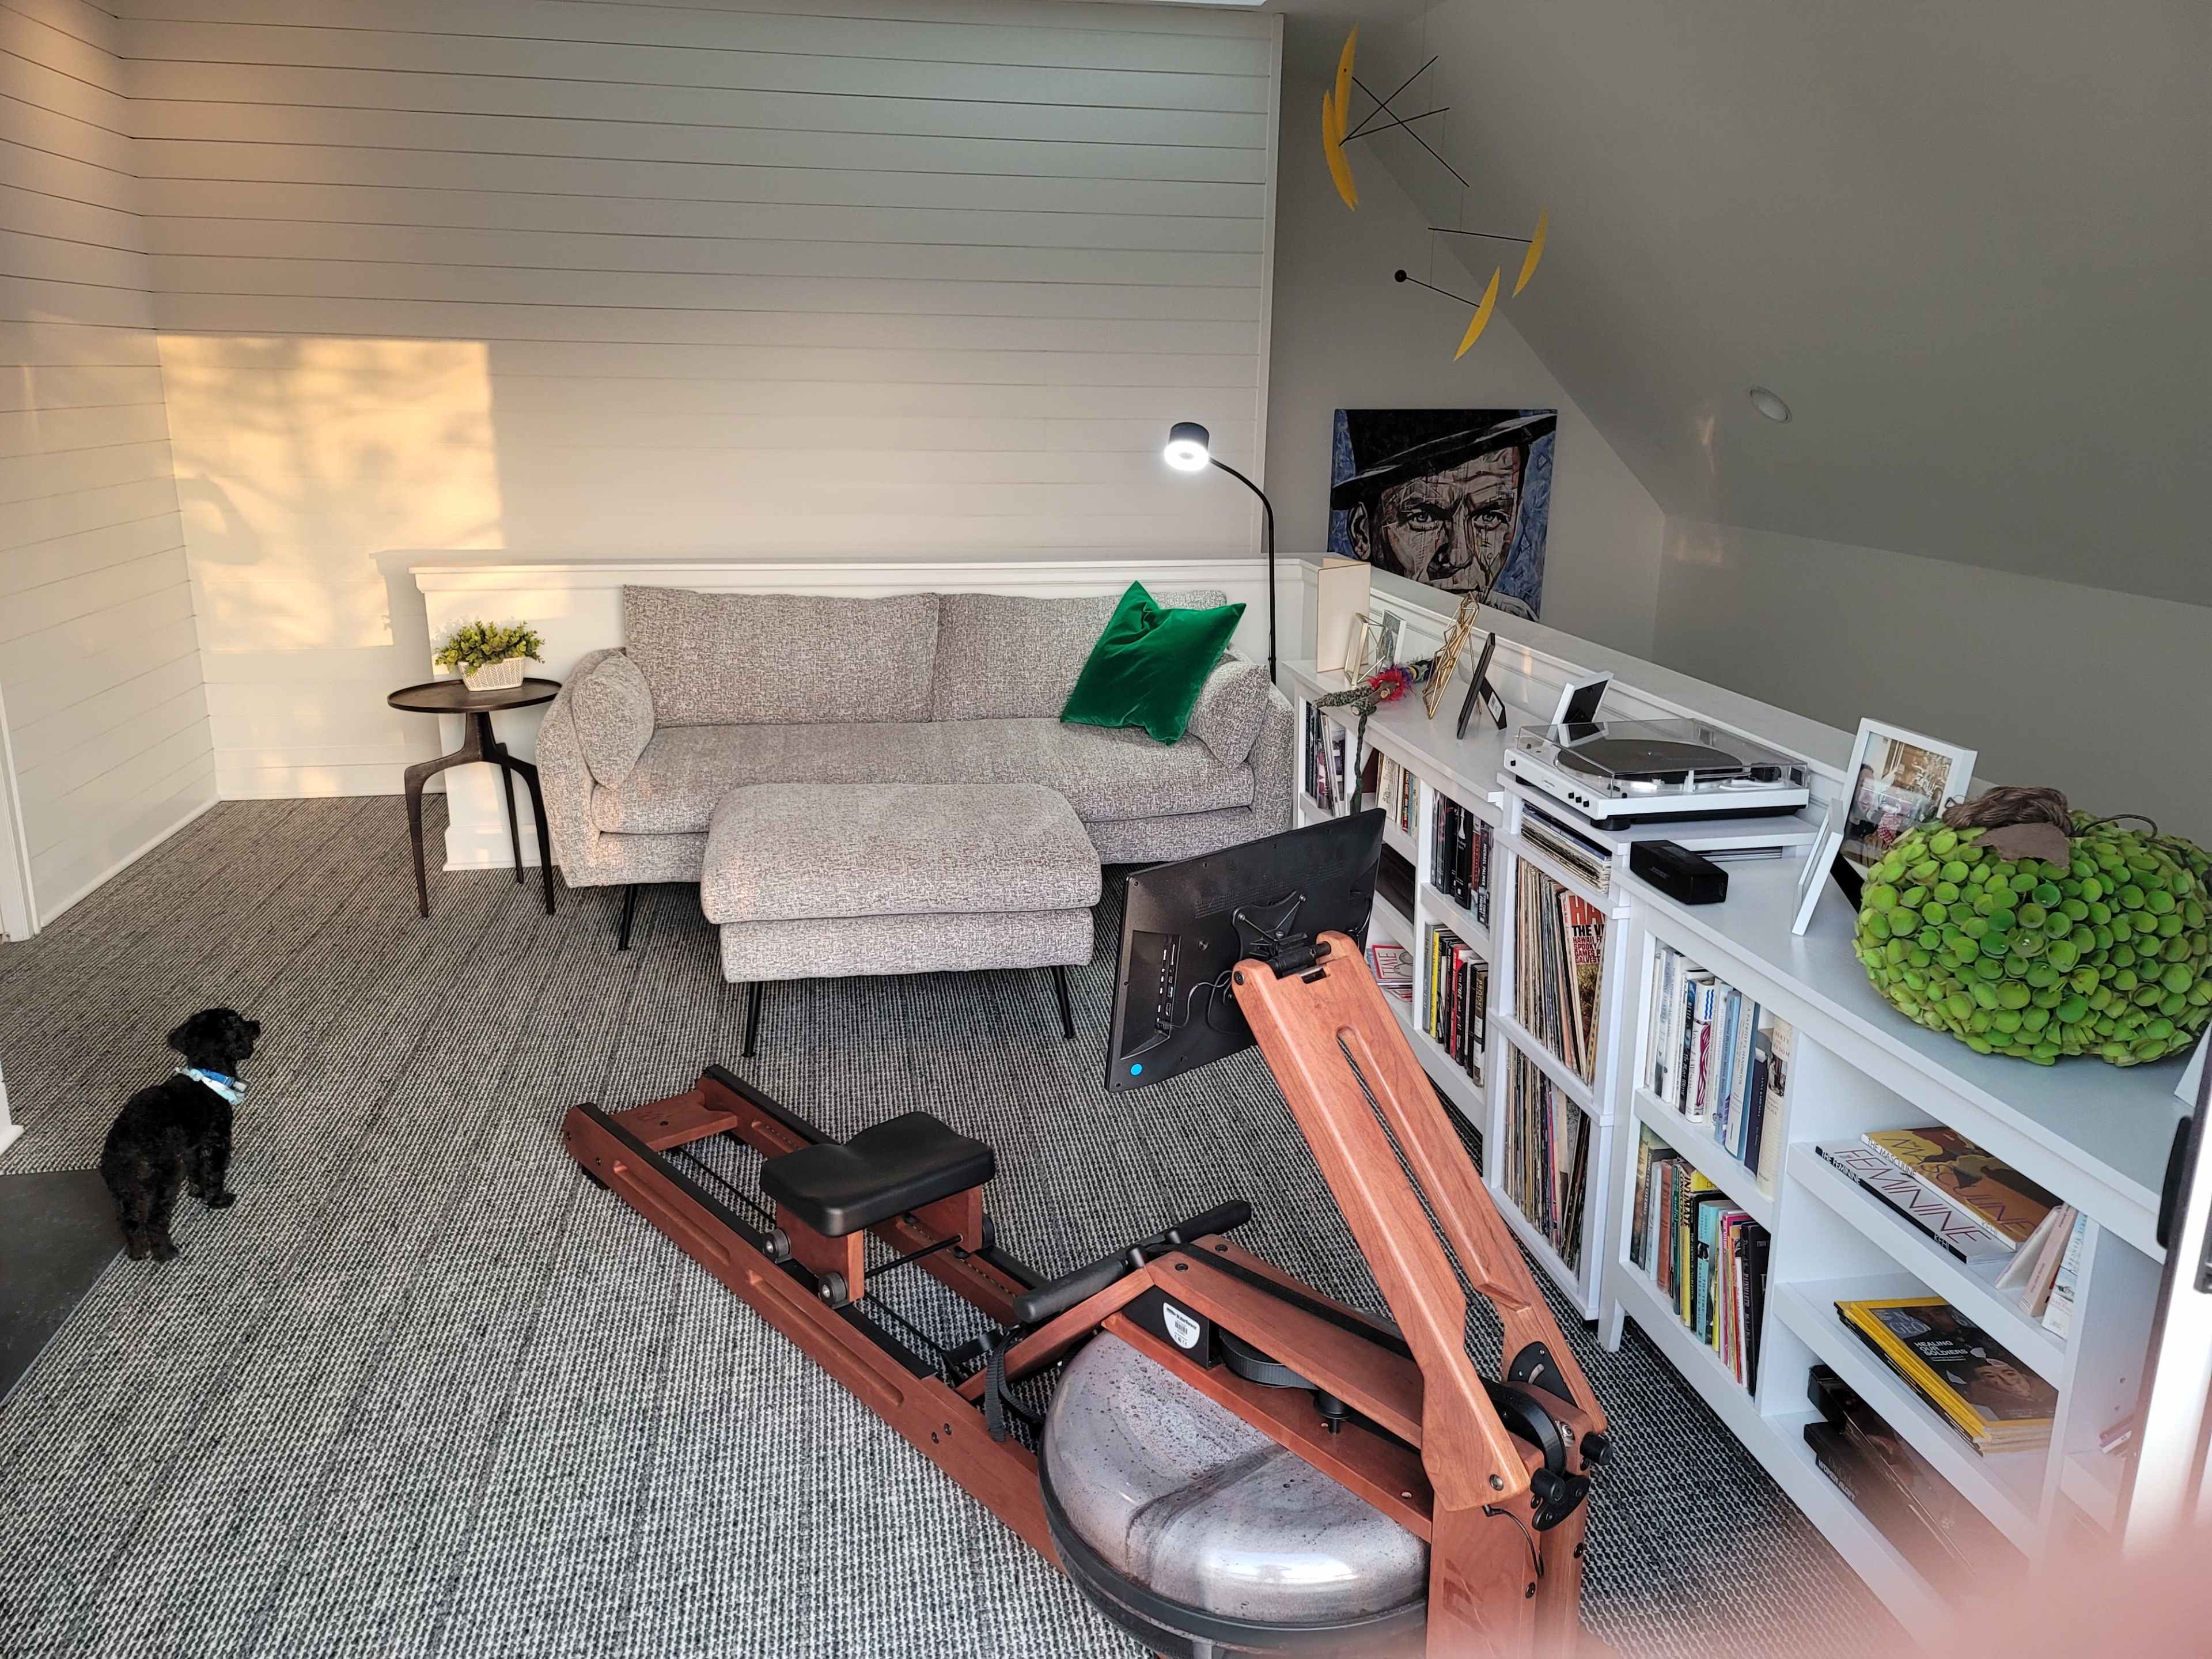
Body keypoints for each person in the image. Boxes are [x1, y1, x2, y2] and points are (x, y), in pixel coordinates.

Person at [1328, 412, 1556, 611]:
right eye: (1424, 517)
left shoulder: (1518, 629)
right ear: (1362, 532)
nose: (1459, 557)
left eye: (1489, 517)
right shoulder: (1337, 622)